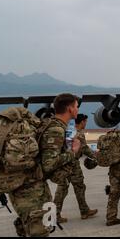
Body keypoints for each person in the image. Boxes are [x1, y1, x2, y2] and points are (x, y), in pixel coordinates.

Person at [40, 93, 82, 224]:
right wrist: (73, 152)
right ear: (70, 109)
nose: (77, 109)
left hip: (39, 183)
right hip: (35, 185)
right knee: (40, 228)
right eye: (76, 106)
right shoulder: (56, 130)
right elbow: (49, 164)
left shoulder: (54, 125)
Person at [53, 114, 98, 222]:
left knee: (62, 190)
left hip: (63, 164)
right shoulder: (79, 134)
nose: (86, 123)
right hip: (73, 164)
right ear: (82, 121)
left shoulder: (68, 130)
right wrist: (95, 156)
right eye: (85, 121)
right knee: (79, 188)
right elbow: (84, 149)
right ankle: (84, 212)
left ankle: (55, 215)